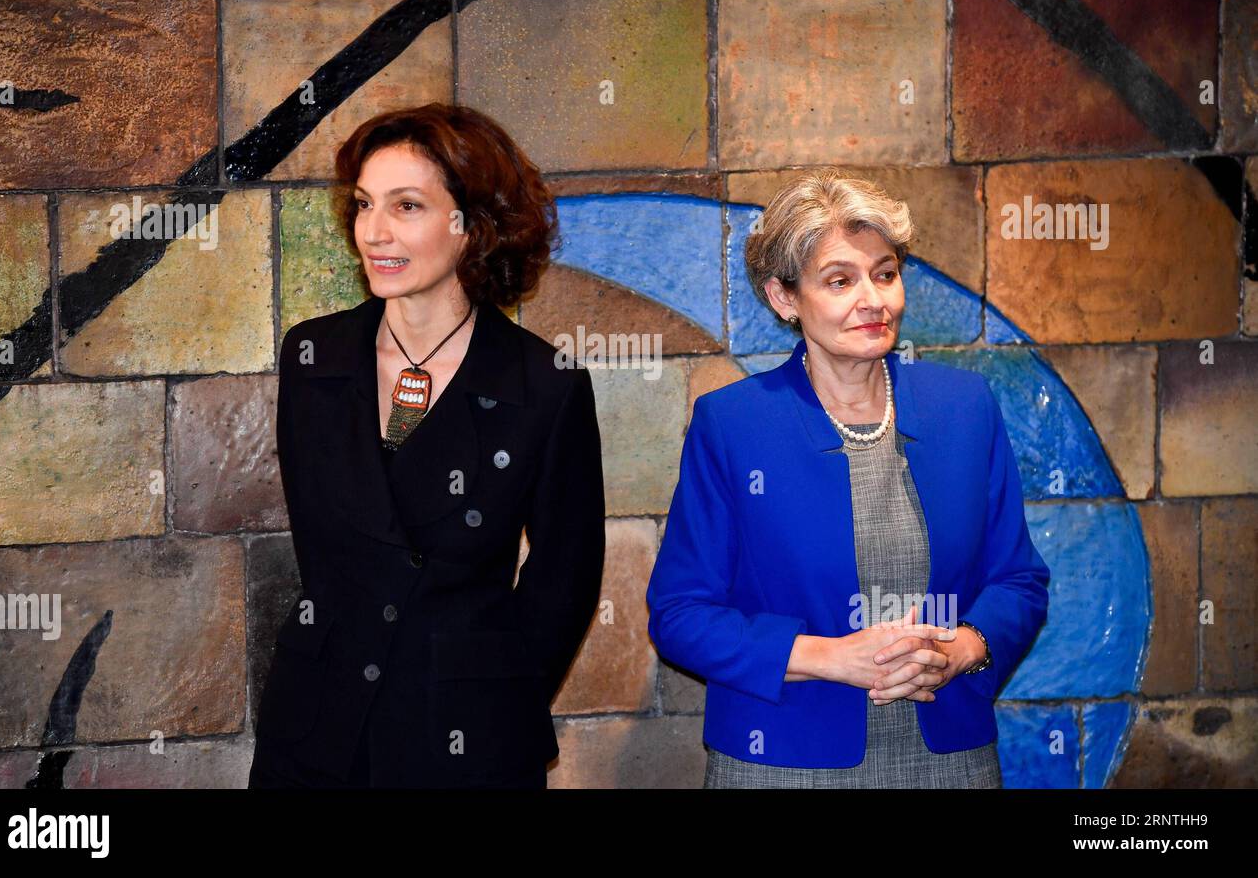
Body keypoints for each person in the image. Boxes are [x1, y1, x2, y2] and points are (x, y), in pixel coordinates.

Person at [646, 168, 1050, 788]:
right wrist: (833, 658)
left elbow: (1019, 581)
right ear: (785, 298)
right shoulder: (733, 424)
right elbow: (680, 614)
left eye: (885, 274)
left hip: (949, 760)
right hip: (780, 760)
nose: (874, 300)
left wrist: (962, 649)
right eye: (840, 281)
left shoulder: (965, 407)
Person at [249, 103, 606, 789]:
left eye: (406, 206)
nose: (373, 232)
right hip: (321, 728)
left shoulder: (542, 383)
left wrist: (491, 687)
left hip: (464, 737)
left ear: (470, 225)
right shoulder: (314, 356)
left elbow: (565, 580)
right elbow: (325, 550)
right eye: (363, 205)